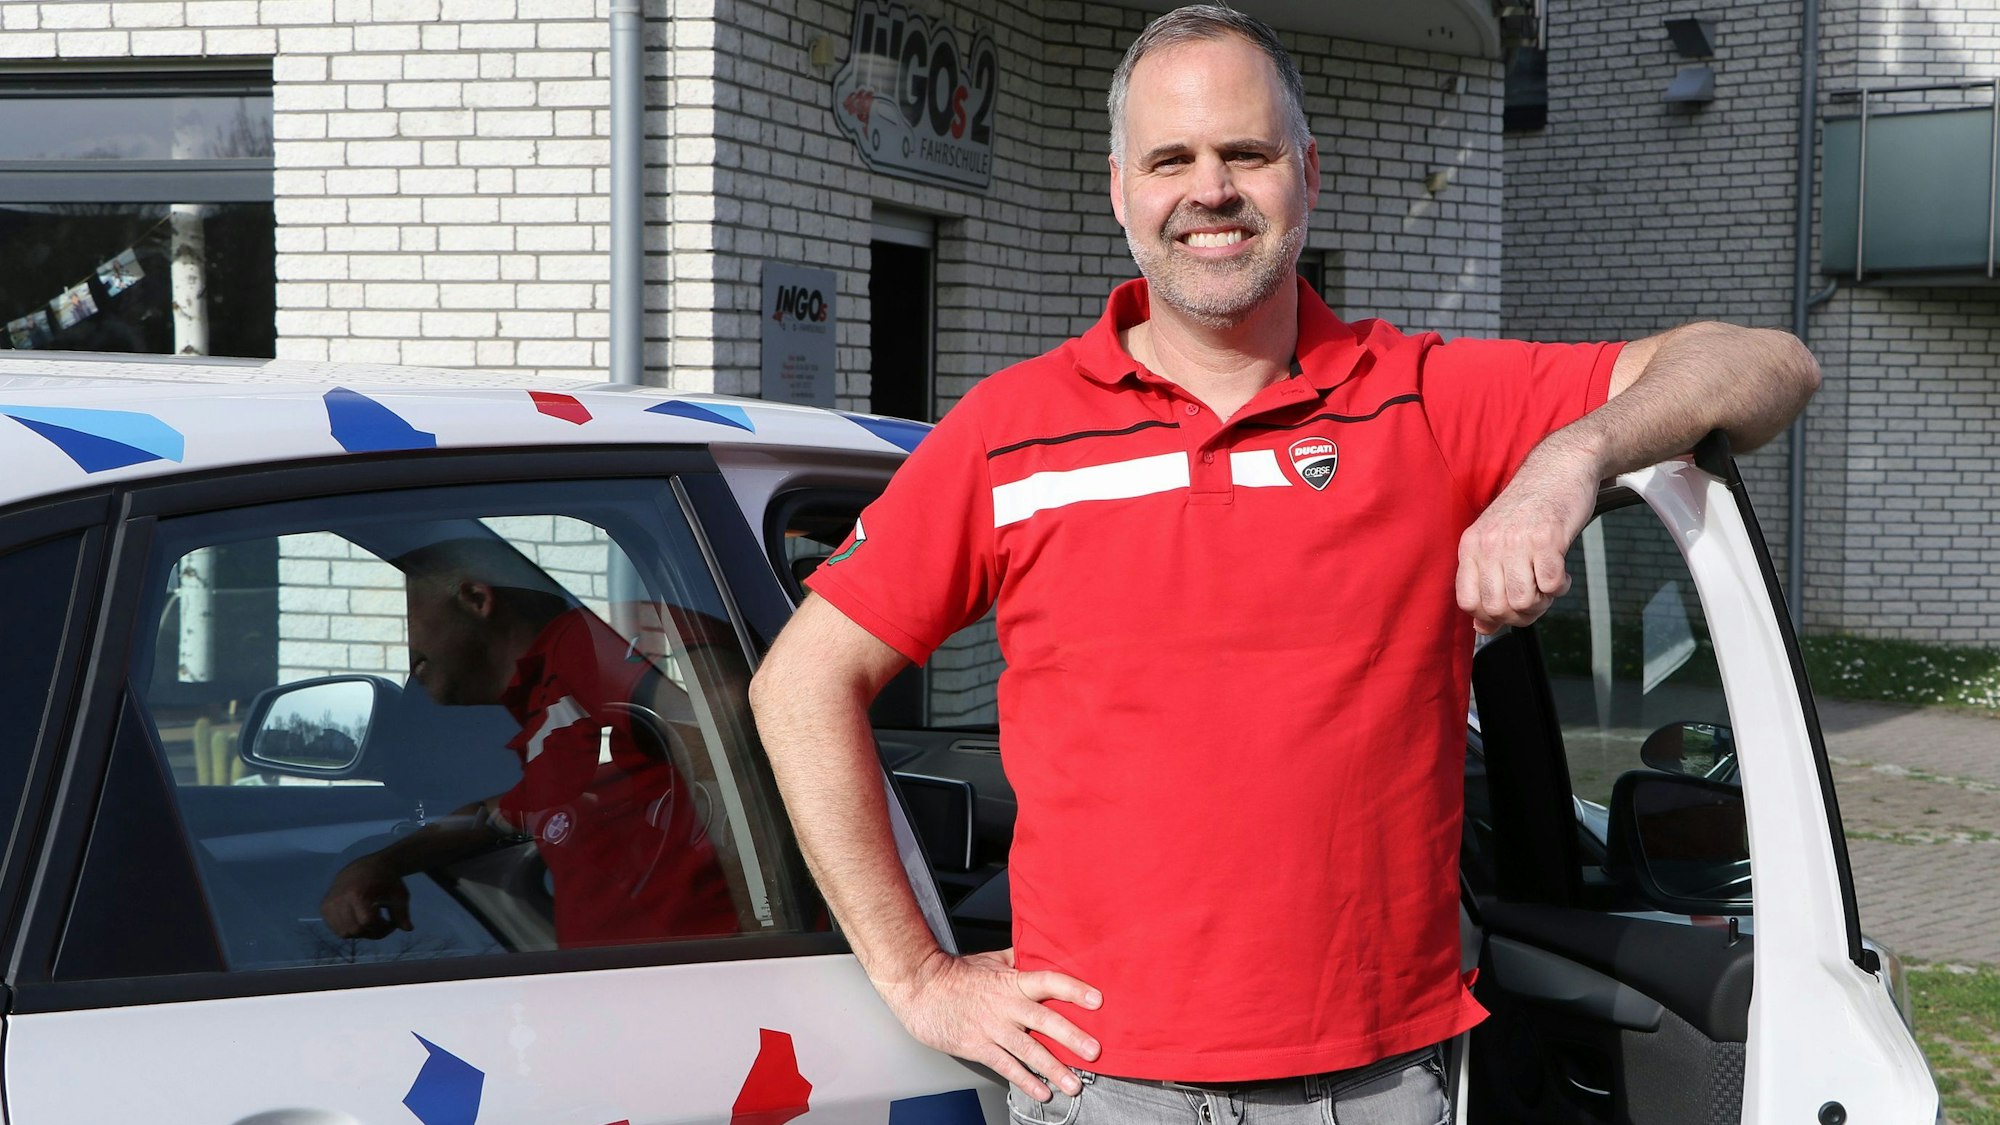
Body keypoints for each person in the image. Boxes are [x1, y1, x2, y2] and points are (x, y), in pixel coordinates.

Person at [748, 6, 1819, 1122]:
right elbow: (799, 684)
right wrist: (918, 978)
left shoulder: (1421, 398)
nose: (1208, 189)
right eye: (1171, 159)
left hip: (1374, 1085)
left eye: (1244, 153)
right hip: (1103, 1087)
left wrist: (1565, 461)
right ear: (1120, 189)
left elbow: (1762, 362)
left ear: (1304, 173)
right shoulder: (1008, 433)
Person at [320, 537, 739, 949]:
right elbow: (493, 817)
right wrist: (379, 863)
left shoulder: (582, 643)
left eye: (401, 618)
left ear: (474, 598)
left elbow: (716, 724)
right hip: (633, 993)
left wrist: (767, 921)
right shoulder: (549, 714)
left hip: (709, 981)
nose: (400, 647)